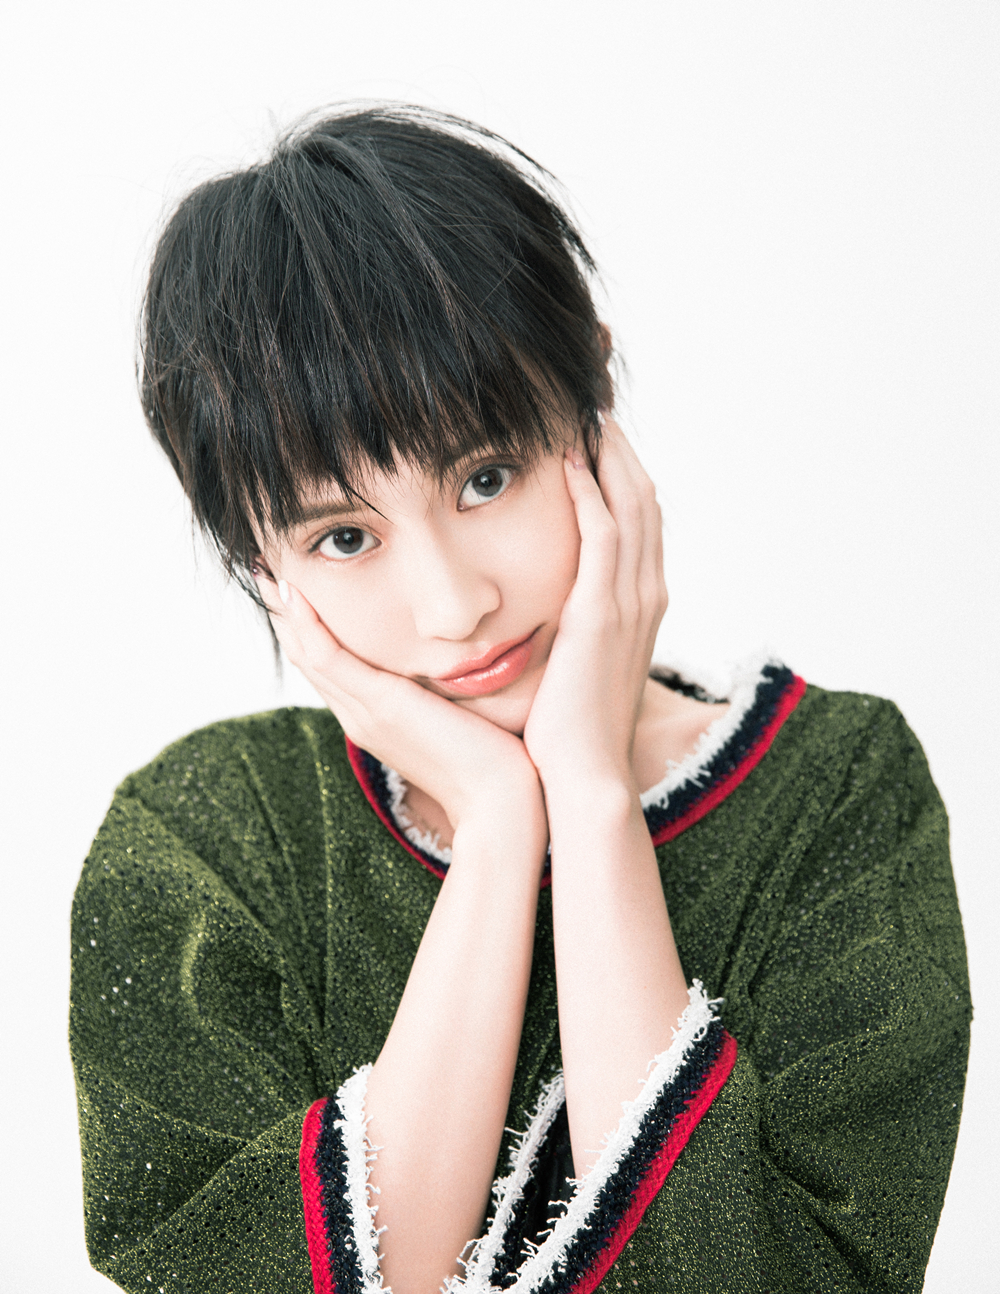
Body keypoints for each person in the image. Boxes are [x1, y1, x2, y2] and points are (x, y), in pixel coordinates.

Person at [69, 105, 971, 1294]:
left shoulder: (835, 788)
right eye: (344, 537)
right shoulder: (208, 839)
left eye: (485, 476)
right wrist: (500, 823)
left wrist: (589, 798)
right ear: (258, 561)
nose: (454, 605)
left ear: (590, 400)